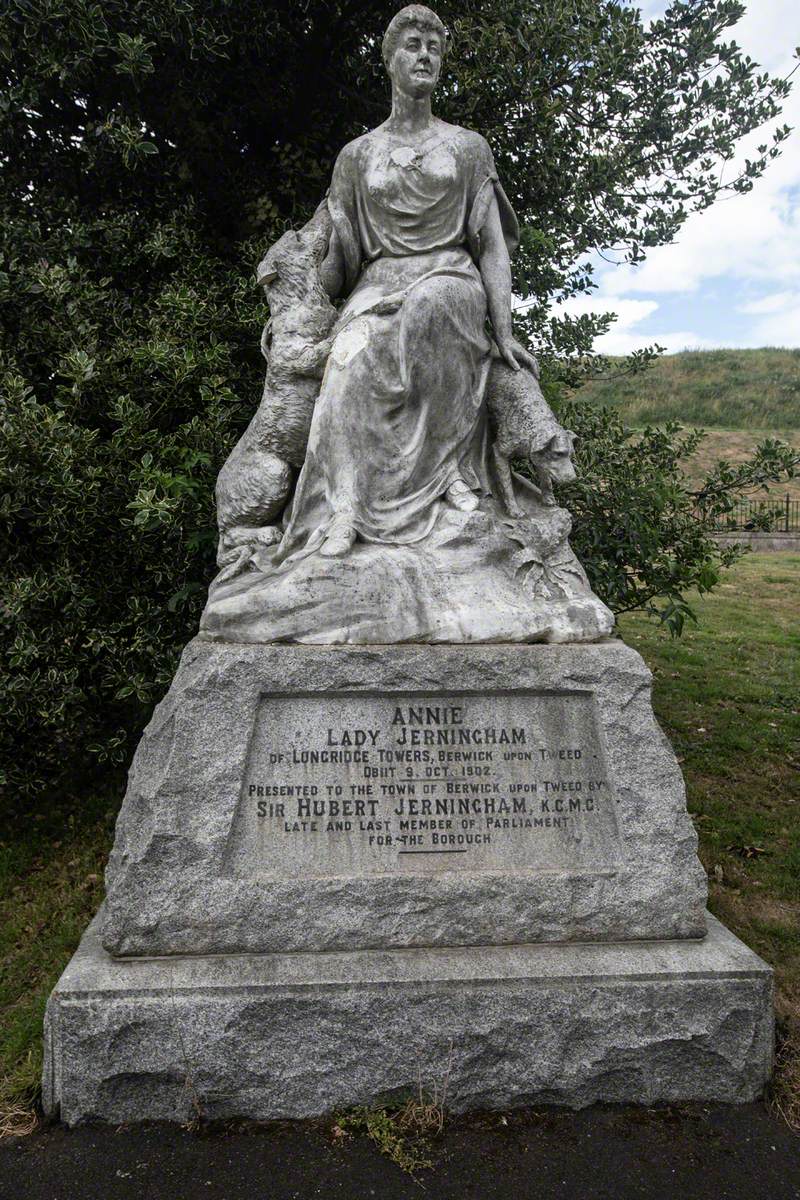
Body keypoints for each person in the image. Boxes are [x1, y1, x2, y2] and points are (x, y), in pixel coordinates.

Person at [273, 4, 537, 563]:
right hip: (377, 284)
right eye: (412, 44)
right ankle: (345, 509)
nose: (424, 55)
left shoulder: (468, 147)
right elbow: (339, 261)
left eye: (433, 48)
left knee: (431, 307)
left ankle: (449, 477)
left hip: (449, 277)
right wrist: (298, 290)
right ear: (389, 58)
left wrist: (505, 330)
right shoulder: (356, 156)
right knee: (347, 360)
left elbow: (491, 245)